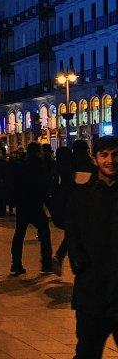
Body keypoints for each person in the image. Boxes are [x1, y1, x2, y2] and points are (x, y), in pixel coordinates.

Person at [66, 134, 118, 358]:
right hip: (92, 291)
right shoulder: (83, 194)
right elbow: (72, 231)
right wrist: (79, 263)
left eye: (116, 155)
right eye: (104, 155)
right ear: (95, 158)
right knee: (87, 351)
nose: (110, 161)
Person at [9, 141, 53, 275]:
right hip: (35, 204)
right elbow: (44, 185)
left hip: (23, 204)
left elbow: (15, 184)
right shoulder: (40, 166)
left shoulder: (21, 166)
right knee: (44, 232)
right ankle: (46, 263)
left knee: (19, 234)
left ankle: (16, 263)